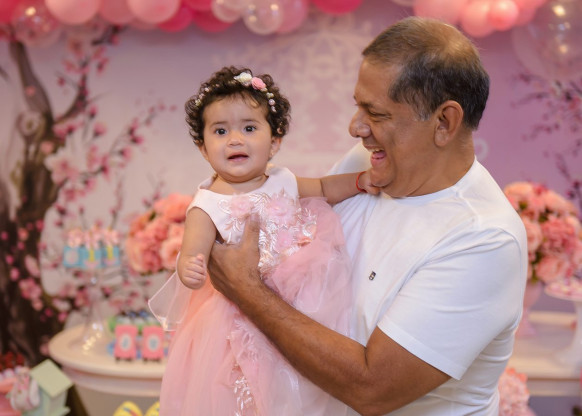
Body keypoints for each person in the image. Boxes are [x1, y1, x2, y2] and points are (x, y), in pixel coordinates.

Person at [207, 17, 528, 416]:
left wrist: (246, 289)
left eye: (376, 113)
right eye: (358, 105)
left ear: (444, 122)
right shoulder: (369, 163)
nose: (355, 127)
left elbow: (372, 388)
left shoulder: (484, 240)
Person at [148, 65, 378, 415]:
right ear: (203, 148)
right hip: (238, 313)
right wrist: (188, 267)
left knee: (302, 372)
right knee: (247, 384)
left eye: (249, 128)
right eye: (220, 131)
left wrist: (360, 181)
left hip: (300, 300)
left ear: (274, 142)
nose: (235, 139)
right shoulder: (207, 204)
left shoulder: (283, 180)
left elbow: (324, 188)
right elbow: (192, 251)